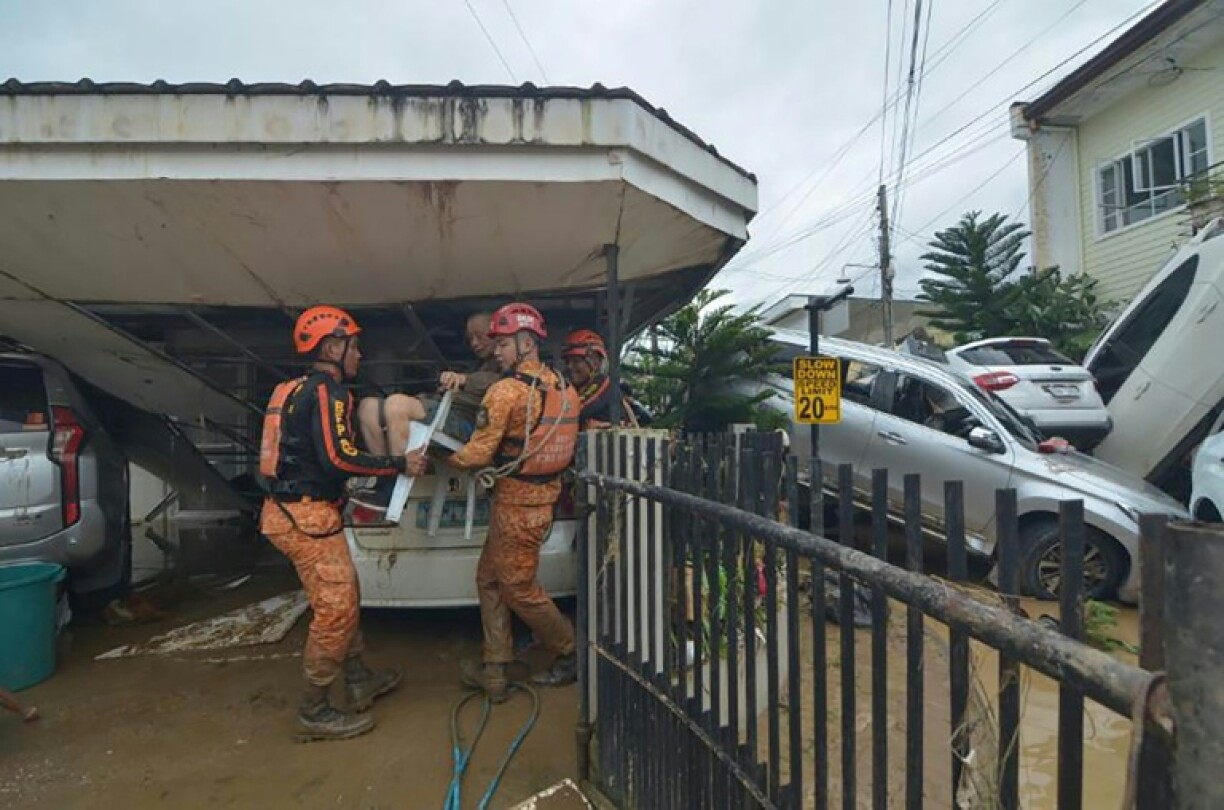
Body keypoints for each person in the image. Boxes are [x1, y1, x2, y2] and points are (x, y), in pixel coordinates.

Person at [405, 302, 580, 702]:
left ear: (525, 342)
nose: (495, 351)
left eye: (502, 344)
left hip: (518, 506)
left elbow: (477, 455)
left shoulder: (505, 392)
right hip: (538, 502)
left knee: (518, 589)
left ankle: (570, 651)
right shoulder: (563, 387)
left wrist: (433, 452)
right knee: (489, 578)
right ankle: (496, 666)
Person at [258, 305, 405, 741]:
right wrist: (399, 464)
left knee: (346, 593)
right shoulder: (328, 393)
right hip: (305, 517)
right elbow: (339, 458)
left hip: (290, 511)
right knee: (336, 608)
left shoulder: (290, 389)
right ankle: (314, 710)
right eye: (354, 346)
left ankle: (358, 677)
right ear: (332, 347)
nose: (359, 354)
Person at [351, 312, 502, 513]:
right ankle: (385, 479)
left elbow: (504, 383)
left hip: (468, 426)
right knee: (367, 407)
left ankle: (395, 489)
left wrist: (465, 379)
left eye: (480, 336)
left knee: (397, 405)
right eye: (470, 338)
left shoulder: (505, 361)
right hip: (446, 412)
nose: (474, 343)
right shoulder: (481, 364)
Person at [561, 329, 649, 429]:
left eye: (576, 361)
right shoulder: (577, 391)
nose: (570, 367)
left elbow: (573, 412)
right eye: (567, 362)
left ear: (595, 361)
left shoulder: (604, 388)